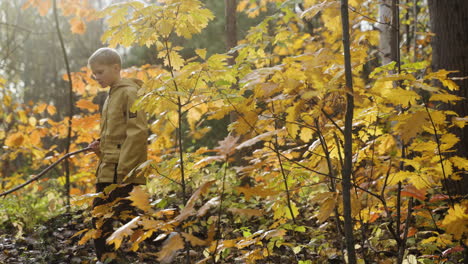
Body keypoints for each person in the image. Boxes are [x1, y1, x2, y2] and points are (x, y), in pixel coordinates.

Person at [87, 47, 148, 263]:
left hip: (122, 173)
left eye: (100, 72)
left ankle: (145, 255)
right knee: (101, 220)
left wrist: (125, 171)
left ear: (116, 68)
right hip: (108, 169)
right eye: (94, 73)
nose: (96, 77)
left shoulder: (129, 92)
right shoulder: (111, 94)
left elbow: (137, 133)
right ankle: (108, 260)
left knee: (127, 221)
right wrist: (100, 149)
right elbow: (116, 137)